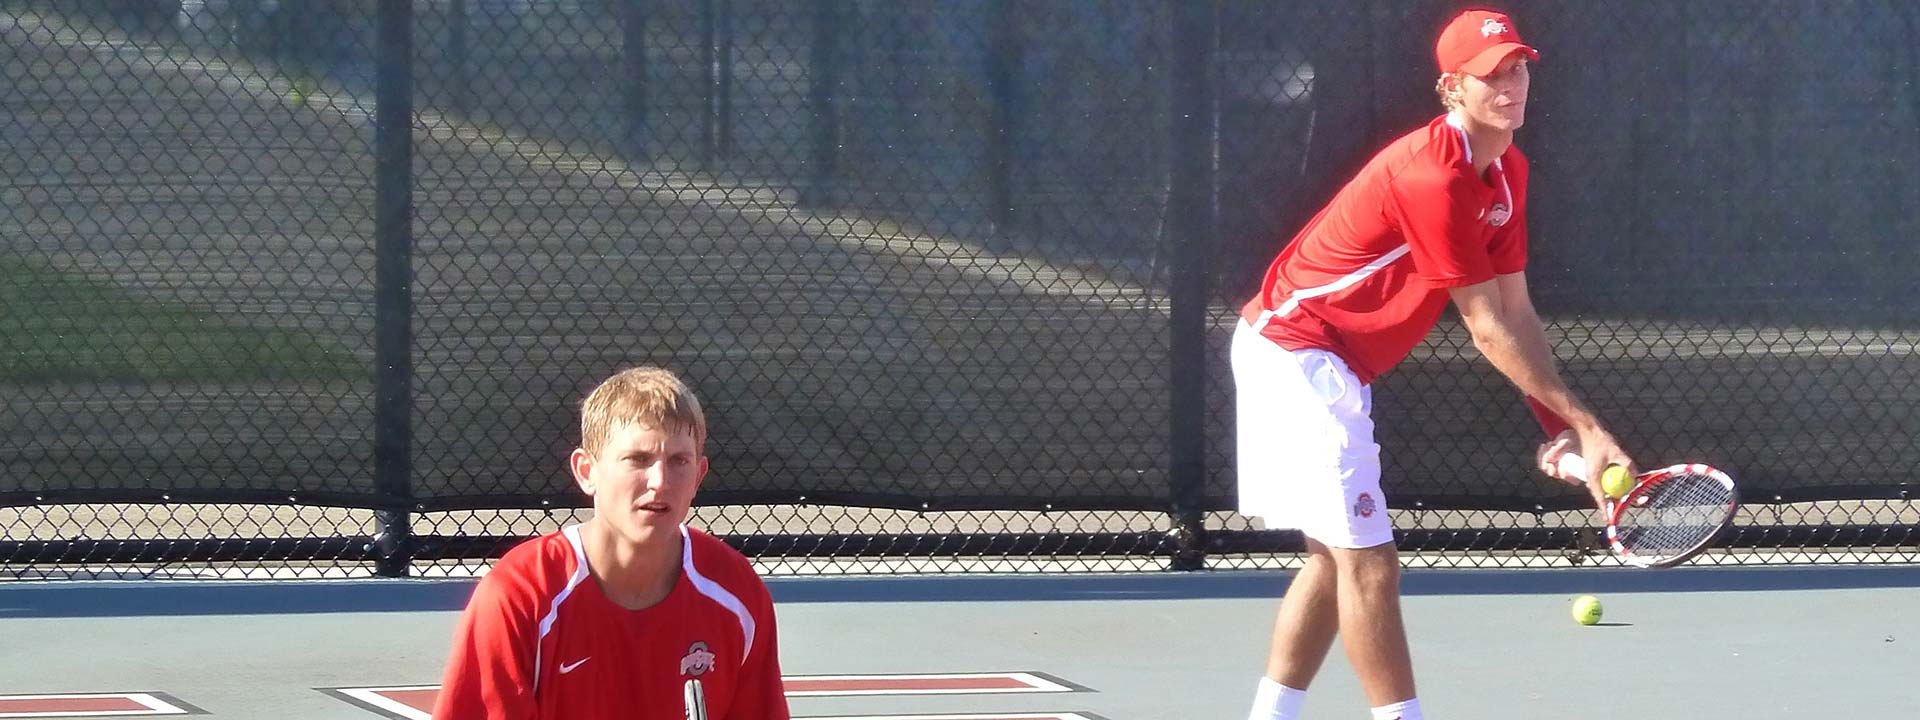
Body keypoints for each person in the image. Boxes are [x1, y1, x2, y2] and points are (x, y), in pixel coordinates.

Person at [1231, 9, 1636, 720]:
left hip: (1327, 361)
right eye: (1490, 77)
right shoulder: (1431, 177)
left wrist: (1562, 427)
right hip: (1294, 353)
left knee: (1336, 559)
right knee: (1370, 563)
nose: (1511, 87)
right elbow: (1483, 327)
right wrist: (1587, 424)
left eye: (1518, 69)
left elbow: (1517, 313)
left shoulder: (1508, 171)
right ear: (1453, 89)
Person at [433, 366, 789, 720]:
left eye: (679, 461)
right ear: (586, 471)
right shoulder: (521, 595)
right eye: (638, 459)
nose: (659, 481)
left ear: (698, 476)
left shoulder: (736, 590)